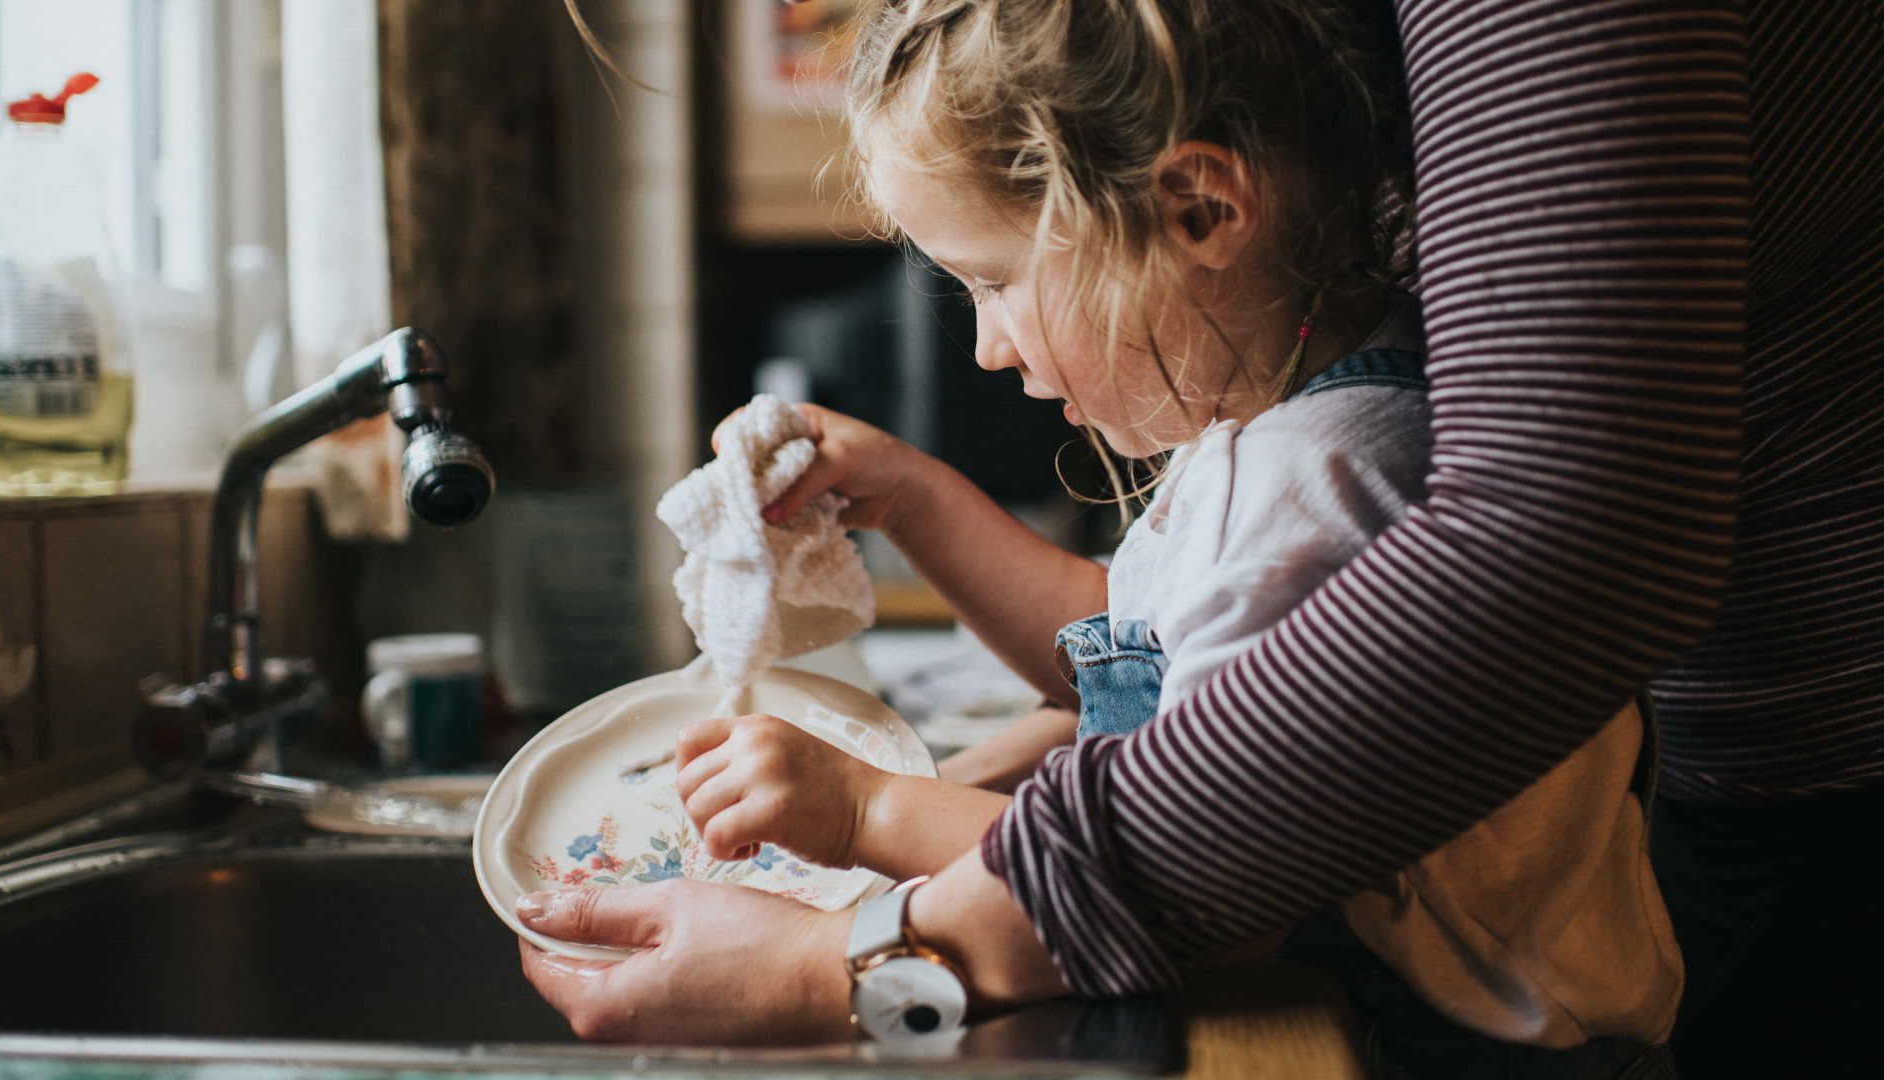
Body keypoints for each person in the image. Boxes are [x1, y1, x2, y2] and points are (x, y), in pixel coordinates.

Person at [523, 1, 1883, 1073]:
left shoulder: (1313, 487)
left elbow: (1233, 891)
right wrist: (926, 507)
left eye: (994, 283)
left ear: (1199, 211)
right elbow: (1128, 657)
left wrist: (871, 837)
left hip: (1470, 1046)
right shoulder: (1277, 436)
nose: (987, 345)